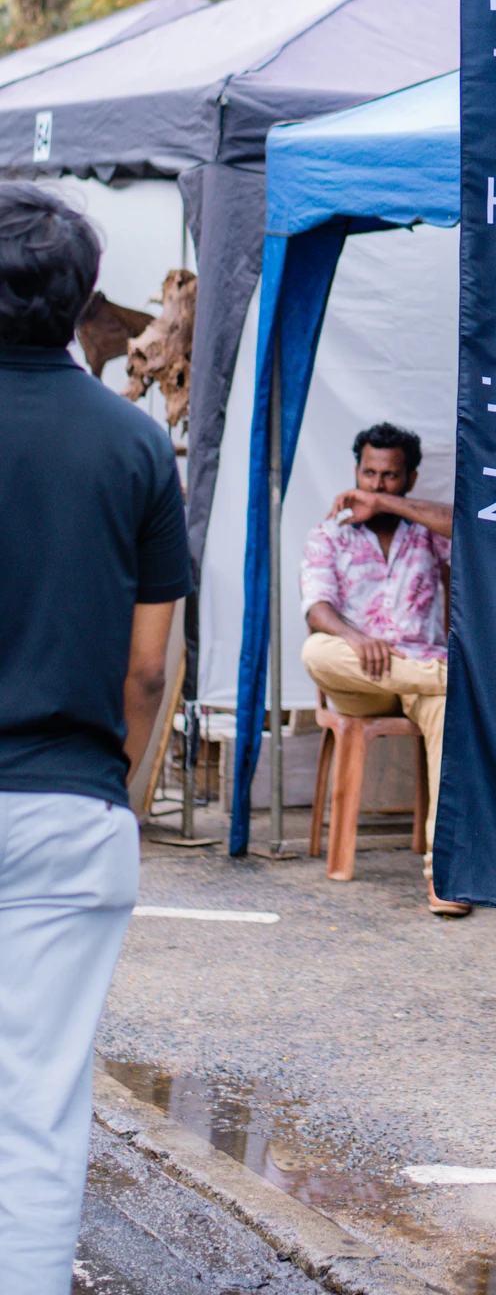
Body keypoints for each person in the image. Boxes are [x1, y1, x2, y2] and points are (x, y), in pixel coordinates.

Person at [0, 183, 189, 1293]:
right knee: (36, 1096)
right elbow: (148, 666)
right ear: (83, 302)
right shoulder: (131, 444)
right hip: (71, 803)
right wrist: (111, 784)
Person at [299, 422, 467, 917]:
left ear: (410, 479)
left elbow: (470, 531)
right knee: (316, 653)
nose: (375, 485)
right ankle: (454, 679)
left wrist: (390, 508)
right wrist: (356, 637)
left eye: (389, 477)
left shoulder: (424, 532)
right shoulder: (329, 532)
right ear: (355, 471)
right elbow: (316, 609)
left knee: (444, 711)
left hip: (418, 673)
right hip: (362, 675)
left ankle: (447, 876)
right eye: (368, 473)